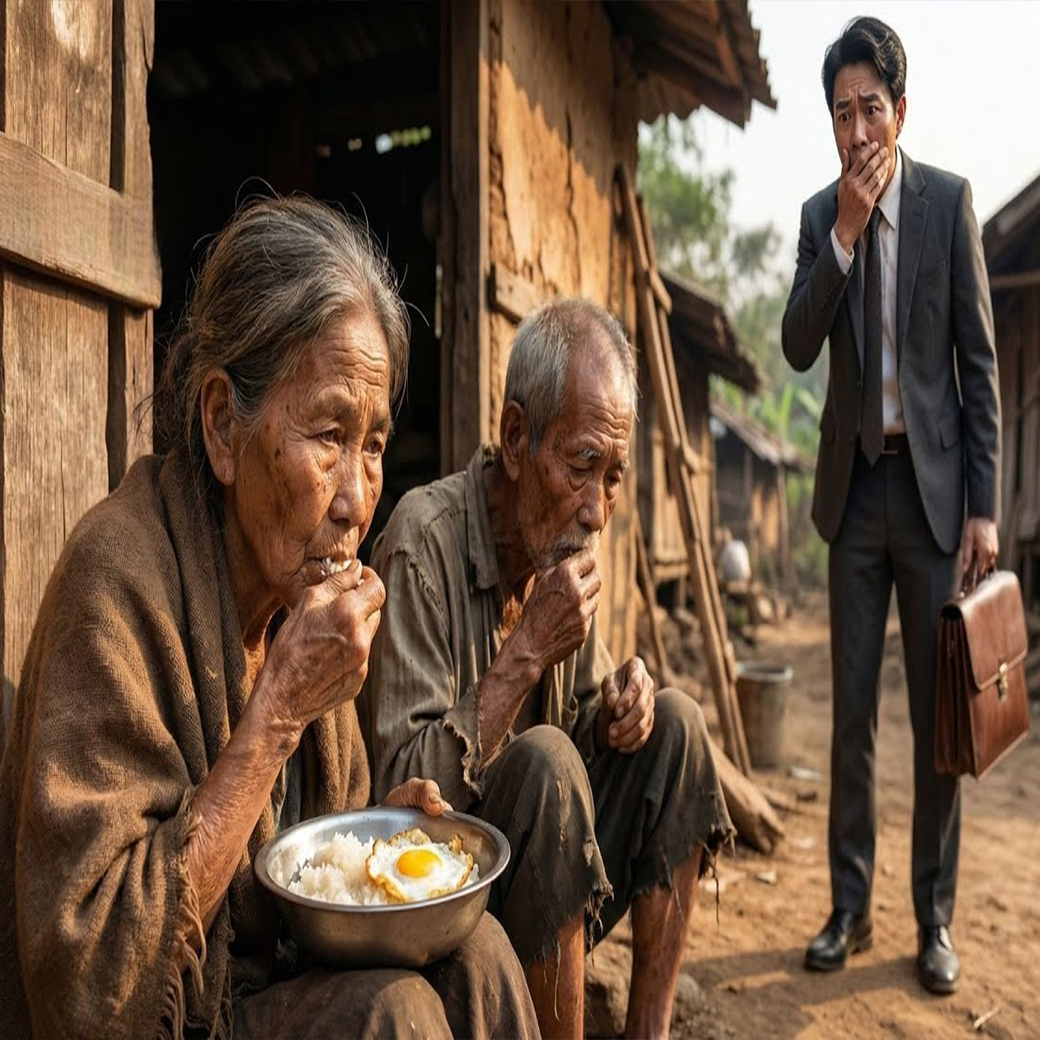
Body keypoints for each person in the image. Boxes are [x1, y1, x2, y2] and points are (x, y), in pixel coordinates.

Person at [0, 197, 539, 1040]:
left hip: (255, 990)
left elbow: (291, 868)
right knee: (391, 1019)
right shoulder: (115, 586)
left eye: (373, 441)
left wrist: (372, 858)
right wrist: (278, 712)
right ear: (223, 424)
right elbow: (92, 985)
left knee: (481, 953)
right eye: (329, 433)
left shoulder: (297, 601)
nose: (360, 498)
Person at [360, 298, 733, 1040]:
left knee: (682, 726)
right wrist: (525, 648)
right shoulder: (418, 544)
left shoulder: (560, 544)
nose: (597, 508)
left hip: (552, 883)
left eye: (615, 475)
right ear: (513, 436)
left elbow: (582, 722)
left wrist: (620, 710)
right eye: (582, 465)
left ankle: (646, 1032)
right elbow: (393, 799)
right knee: (547, 760)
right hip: (442, 909)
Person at [781, 17, 1000, 995]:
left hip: (932, 496)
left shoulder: (948, 203)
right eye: (840, 112)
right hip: (851, 493)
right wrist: (839, 234)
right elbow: (792, 344)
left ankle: (933, 916)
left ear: (899, 113)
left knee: (935, 719)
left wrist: (984, 510)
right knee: (852, 722)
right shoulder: (815, 215)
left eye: (871, 108)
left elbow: (977, 367)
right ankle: (845, 905)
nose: (857, 129)